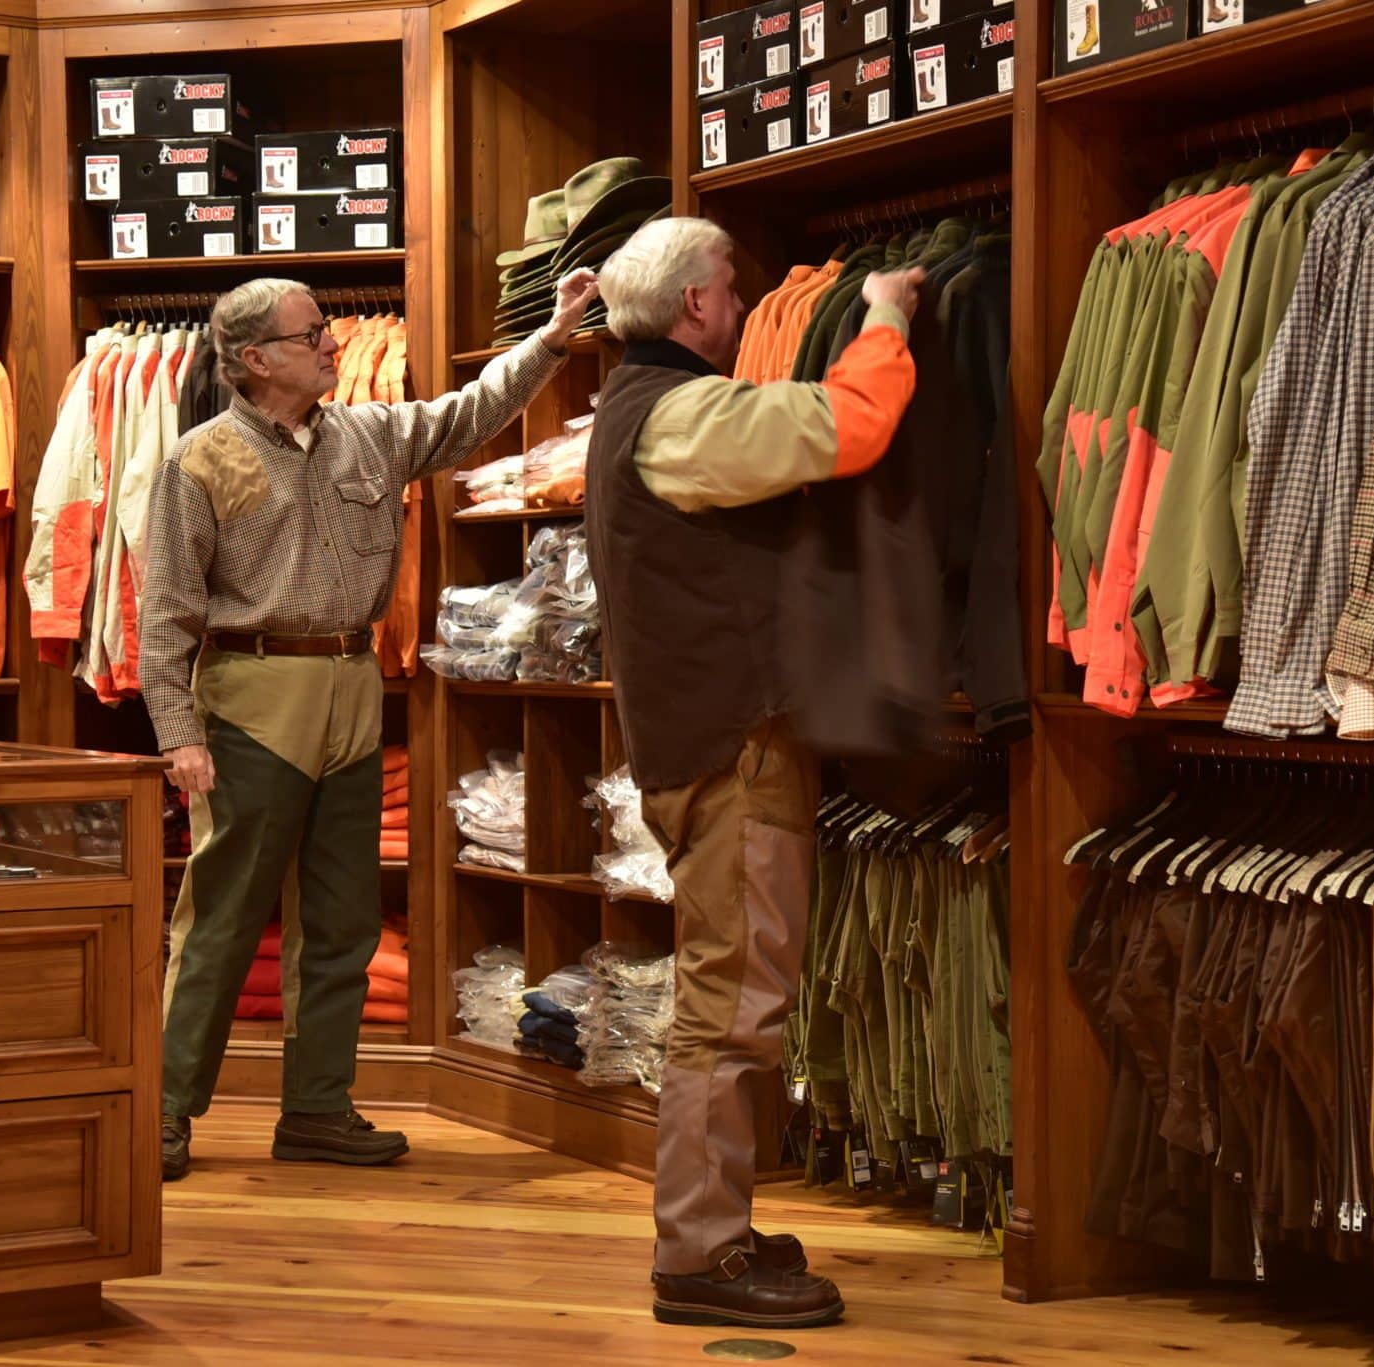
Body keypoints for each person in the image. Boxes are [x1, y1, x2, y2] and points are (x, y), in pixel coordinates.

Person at [144, 269, 599, 1180]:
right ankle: (161, 1110)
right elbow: (162, 612)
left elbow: (470, 415)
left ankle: (316, 1107)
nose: (333, 342)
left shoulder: (371, 434)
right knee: (224, 917)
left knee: (345, 918)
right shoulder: (198, 460)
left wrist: (551, 339)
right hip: (252, 695)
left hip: (353, 689)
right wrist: (177, 731)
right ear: (255, 359)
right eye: (312, 331)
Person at [583, 218, 922, 1328]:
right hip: (728, 751)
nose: (743, 300)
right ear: (693, 304)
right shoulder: (680, 414)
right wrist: (883, 312)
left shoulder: (641, 405)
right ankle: (698, 1250)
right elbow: (849, 421)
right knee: (730, 1002)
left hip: (718, 742)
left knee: (733, 992)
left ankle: (712, 1222)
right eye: (733, 284)